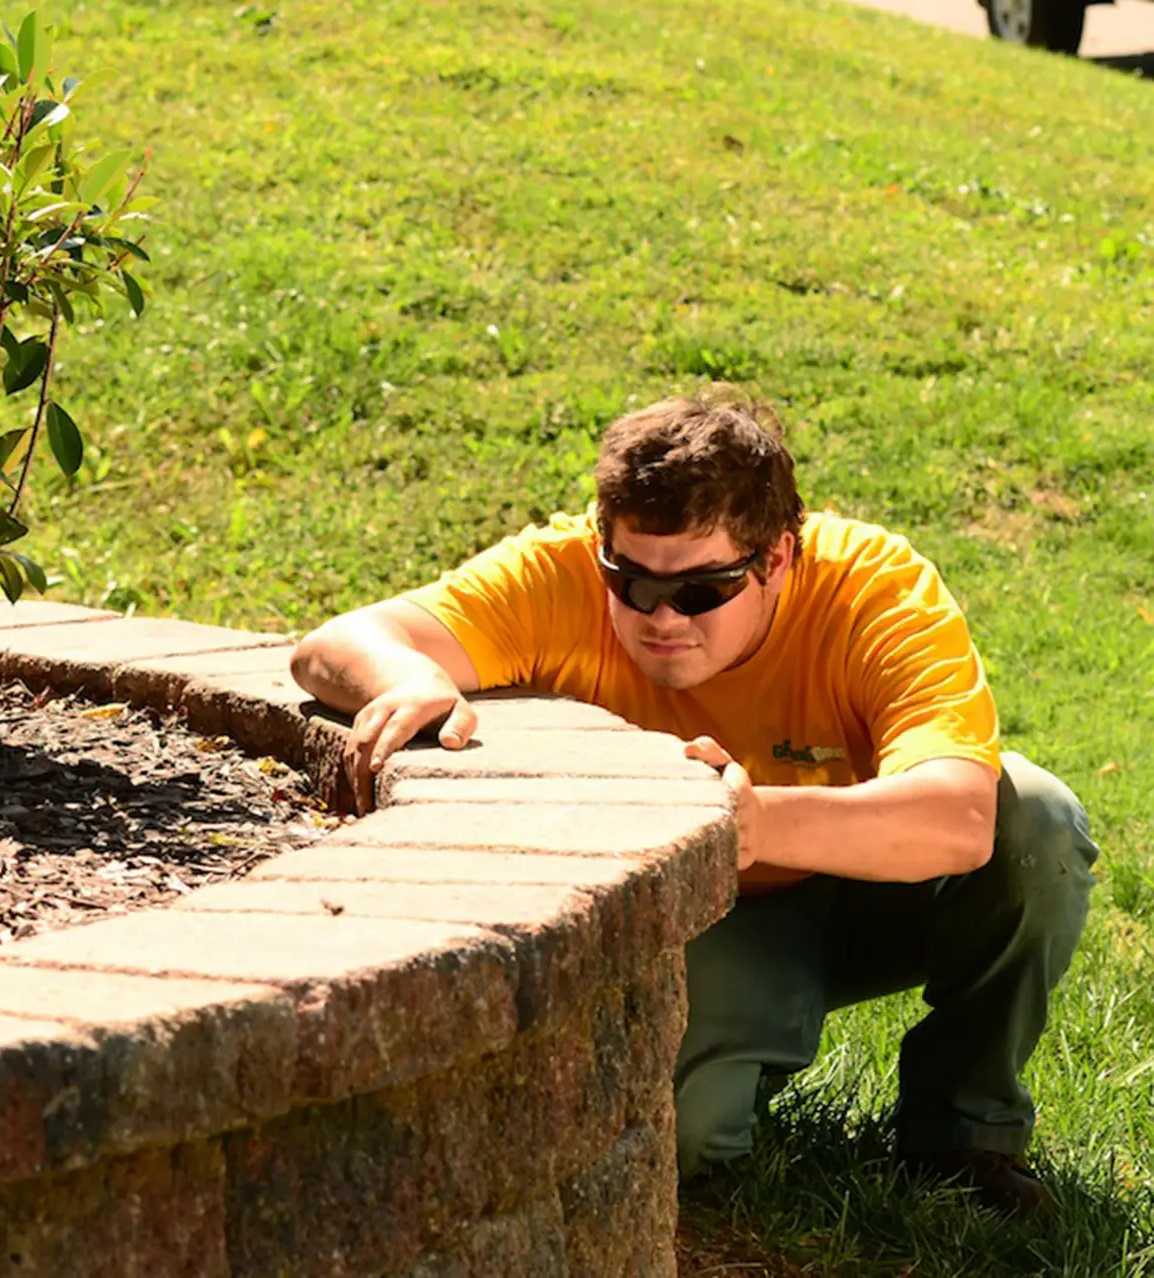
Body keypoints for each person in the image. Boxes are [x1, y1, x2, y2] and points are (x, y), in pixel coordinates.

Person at [290, 385, 1098, 1215]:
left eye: (702, 591)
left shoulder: (874, 589)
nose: (661, 616)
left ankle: (962, 1137)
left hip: (865, 881)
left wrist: (751, 824)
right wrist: (411, 674)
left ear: (778, 558)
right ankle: (743, 1039)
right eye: (631, 583)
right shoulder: (559, 572)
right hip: (695, 919)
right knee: (685, 1141)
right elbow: (333, 647)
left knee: (1034, 819)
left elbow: (961, 822)